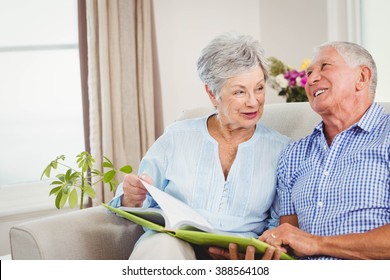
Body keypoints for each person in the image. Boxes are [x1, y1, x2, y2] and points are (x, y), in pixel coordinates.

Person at [108, 33, 291, 259]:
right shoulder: (177, 136)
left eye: (260, 88)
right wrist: (131, 196)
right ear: (212, 93)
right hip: (175, 245)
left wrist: (262, 248)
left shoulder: (282, 149)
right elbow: (138, 199)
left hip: (240, 255)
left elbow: (280, 222)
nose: (253, 101)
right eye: (239, 91)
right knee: (162, 246)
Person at [212, 41, 390, 260]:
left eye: (325, 66)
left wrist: (316, 243)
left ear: (361, 77)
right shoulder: (293, 154)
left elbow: (305, 242)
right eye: (309, 72)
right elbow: (288, 240)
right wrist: (258, 256)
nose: (312, 79)